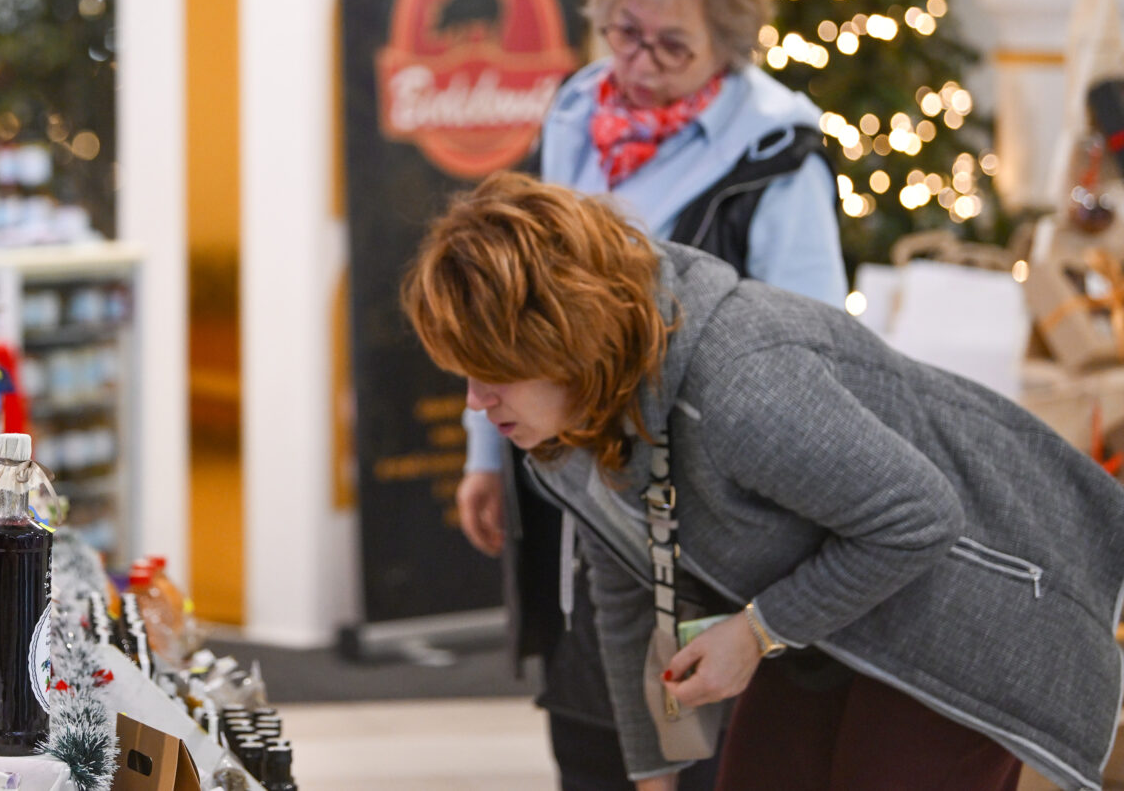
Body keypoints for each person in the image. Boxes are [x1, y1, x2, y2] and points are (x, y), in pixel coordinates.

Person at [406, 172, 1124, 791]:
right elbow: (634, 604)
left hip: (968, 600)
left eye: (495, 370)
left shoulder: (740, 384)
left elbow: (921, 518)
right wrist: (655, 776)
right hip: (828, 613)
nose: (475, 399)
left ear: (568, 340)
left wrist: (754, 632)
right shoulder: (569, 429)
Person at [457, 0, 845, 790]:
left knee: (700, 751)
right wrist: (486, 449)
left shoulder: (777, 155)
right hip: (571, 505)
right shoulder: (574, 110)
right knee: (591, 732)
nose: (637, 64)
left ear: (730, 44)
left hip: (703, 534)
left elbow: (806, 355)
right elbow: (513, 311)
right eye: (623, 32)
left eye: (673, 47)